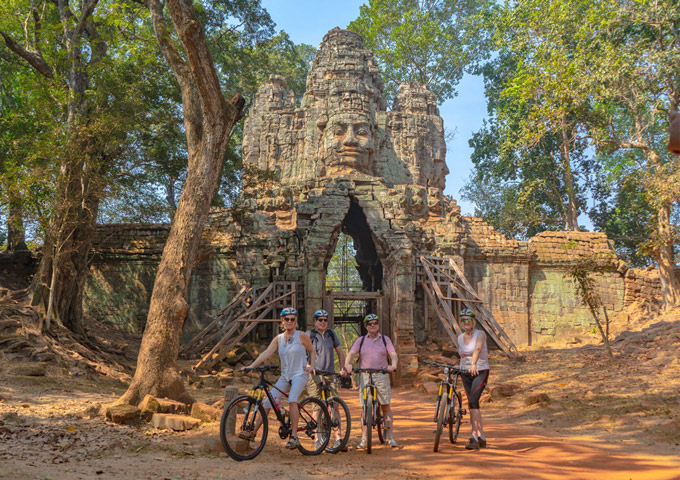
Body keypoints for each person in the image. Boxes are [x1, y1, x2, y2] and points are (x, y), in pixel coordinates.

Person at [244, 307, 316, 449]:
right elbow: (267, 352)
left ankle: (294, 437)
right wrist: (252, 365)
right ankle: (253, 432)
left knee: (292, 399)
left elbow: (312, 351)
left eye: (292, 319)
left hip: (299, 374)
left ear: (295, 321)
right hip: (285, 375)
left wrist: (311, 366)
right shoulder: (279, 339)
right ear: (282, 321)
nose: (289, 321)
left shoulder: (301, 336)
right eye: (286, 319)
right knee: (267, 402)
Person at [344, 313, 399, 448]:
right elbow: (351, 353)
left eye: (375, 322)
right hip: (364, 375)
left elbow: (393, 354)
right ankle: (364, 439)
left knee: (385, 406)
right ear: (365, 326)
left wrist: (393, 365)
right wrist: (347, 364)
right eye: (369, 323)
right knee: (365, 407)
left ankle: (390, 437)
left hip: (381, 374)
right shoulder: (361, 340)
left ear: (378, 325)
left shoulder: (385, 339)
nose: (372, 325)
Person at [306, 309, 347, 451]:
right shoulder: (309, 335)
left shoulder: (331, 334)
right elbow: (302, 354)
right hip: (314, 375)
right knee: (316, 407)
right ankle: (317, 439)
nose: (323, 322)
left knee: (334, 406)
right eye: (320, 320)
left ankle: (338, 439)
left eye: (325, 320)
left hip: (330, 374)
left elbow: (340, 352)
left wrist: (342, 368)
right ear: (315, 322)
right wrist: (308, 366)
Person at [457, 308, 490, 450]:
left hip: (480, 370)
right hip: (465, 372)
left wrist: (473, 364)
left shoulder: (480, 334)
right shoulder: (460, 337)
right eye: (463, 320)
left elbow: (477, 349)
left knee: (473, 401)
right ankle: (481, 436)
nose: (466, 322)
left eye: (468, 319)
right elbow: (462, 355)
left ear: (473, 321)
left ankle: (474, 436)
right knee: (472, 404)